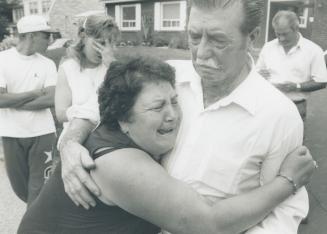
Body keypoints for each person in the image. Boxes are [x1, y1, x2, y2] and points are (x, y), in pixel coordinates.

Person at [58, 1, 317, 232]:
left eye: (218, 40)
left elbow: (283, 213)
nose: (202, 53)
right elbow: (94, 106)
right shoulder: (167, 75)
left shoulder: (278, 114)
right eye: (194, 37)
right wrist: (70, 143)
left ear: (252, 37)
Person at [18, 56, 315, 234]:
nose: (173, 114)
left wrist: (69, 140)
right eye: (157, 107)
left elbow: (93, 105)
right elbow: (209, 225)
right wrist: (287, 181)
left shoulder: (121, 130)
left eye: (175, 100)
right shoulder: (116, 164)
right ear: (122, 119)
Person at [0, 15, 57, 205]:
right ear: (31, 36)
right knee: (21, 189)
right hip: (11, 133)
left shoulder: (47, 64)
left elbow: (51, 98)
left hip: (43, 133)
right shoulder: (2, 60)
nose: (50, 40)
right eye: (46, 35)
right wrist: (35, 93)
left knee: (39, 191)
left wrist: (12, 101)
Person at [54, 14, 118, 150]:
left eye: (110, 43)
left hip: (110, 141)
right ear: (83, 37)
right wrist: (88, 113)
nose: (106, 49)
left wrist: (112, 67)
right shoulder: (68, 68)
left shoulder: (114, 68)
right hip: (75, 139)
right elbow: (60, 114)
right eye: (101, 42)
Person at [257, 10, 327, 120]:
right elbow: (257, 72)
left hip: (296, 106)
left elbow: (321, 82)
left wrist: (296, 87)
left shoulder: (313, 50)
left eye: (285, 34)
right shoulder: (268, 47)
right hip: (268, 103)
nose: (281, 38)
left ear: (296, 29)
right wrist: (258, 75)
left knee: (294, 137)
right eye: (278, 34)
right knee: (268, 136)